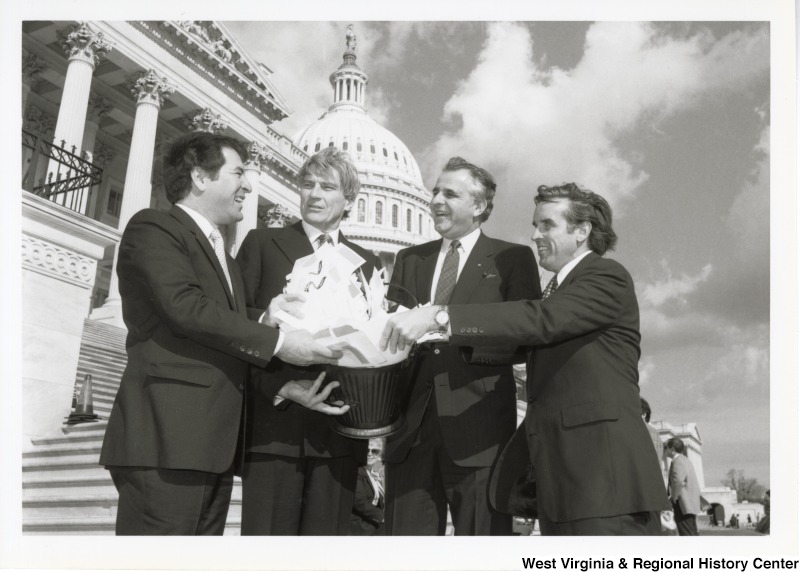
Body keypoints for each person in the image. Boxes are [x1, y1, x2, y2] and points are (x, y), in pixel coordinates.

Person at [381, 182, 669, 535]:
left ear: (582, 231)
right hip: (564, 485)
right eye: (535, 225)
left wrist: (440, 316)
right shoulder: (560, 290)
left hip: (603, 482)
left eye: (547, 225)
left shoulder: (606, 276)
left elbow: (538, 321)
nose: (534, 235)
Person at [99, 132, 345, 536]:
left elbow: (224, 334)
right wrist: (281, 342)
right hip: (166, 441)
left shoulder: (225, 260)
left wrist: (267, 327)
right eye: (238, 173)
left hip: (211, 448)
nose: (248, 185)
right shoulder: (155, 227)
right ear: (199, 176)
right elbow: (185, 307)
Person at [383, 156, 540, 536]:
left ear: (479, 206)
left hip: (478, 426)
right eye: (435, 190)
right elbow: (390, 336)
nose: (436, 199)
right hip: (410, 430)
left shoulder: (512, 258)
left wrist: (452, 329)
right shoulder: (409, 259)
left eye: (450, 193)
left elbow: (525, 337)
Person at [235, 146, 381, 535]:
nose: (314, 194)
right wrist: (268, 320)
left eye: (327, 187)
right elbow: (233, 322)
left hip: (340, 433)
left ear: (348, 200)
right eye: (307, 184)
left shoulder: (368, 263)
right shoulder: (262, 243)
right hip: (274, 426)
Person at [663, 437, 702, 536]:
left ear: (672, 449)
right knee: (692, 532)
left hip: (683, 503)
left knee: (686, 533)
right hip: (690, 503)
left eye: (666, 447)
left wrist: (674, 497)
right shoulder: (685, 460)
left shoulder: (677, 461)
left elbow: (678, 480)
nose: (665, 450)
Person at [349, 438, 386, 535]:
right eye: (366, 450)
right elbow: (359, 502)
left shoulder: (375, 476)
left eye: (374, 451)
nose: (369, 454)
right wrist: (382, 517)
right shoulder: (357, 471)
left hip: (372, 524)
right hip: (360, 526)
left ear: (379, 455)